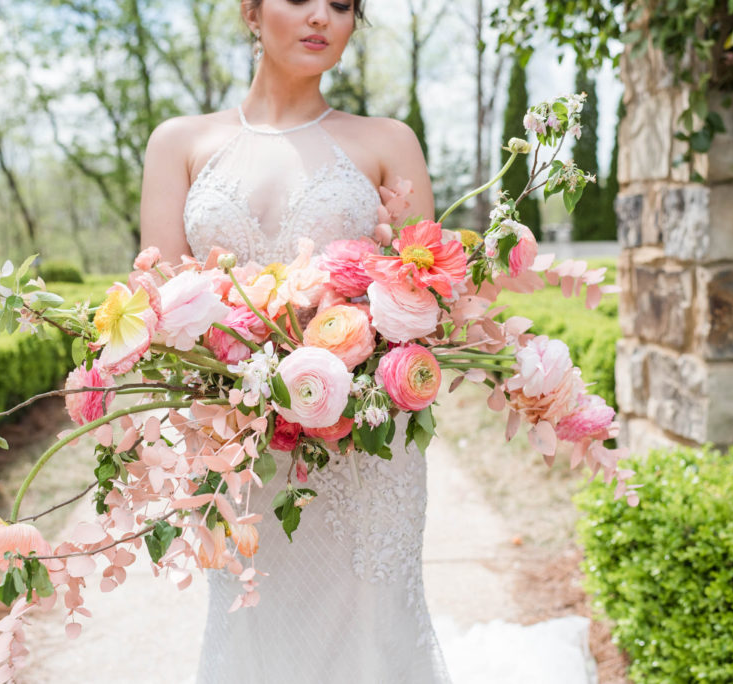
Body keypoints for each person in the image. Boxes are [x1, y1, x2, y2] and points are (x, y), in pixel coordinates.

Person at [139, 1, 450, 682]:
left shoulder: (387, 141)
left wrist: (363, 362)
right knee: (251, 624)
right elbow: (154, 306)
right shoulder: (180, 142)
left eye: (342, 5)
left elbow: (429, 301)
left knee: (371, 625)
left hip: (363, 447)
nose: (322, 18)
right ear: (250, 10)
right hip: (235, 443)